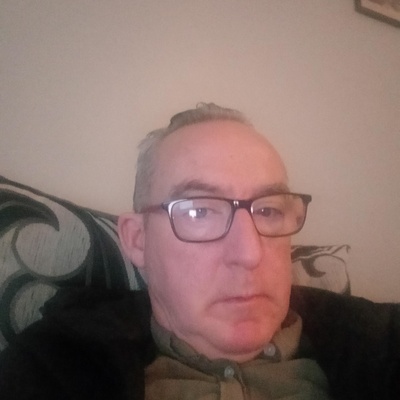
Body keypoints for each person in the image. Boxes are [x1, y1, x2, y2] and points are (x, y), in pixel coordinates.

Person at [0, 103, 399, 399]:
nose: (249, 254)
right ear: (137, 240)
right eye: (198, 211)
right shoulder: (50, 370)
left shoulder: (382, 344)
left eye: (268, 210)